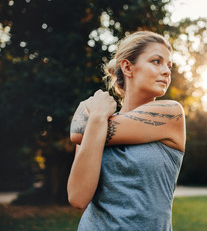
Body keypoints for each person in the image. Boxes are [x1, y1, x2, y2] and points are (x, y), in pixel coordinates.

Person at [67, 31, 186, 231]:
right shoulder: (97, 119)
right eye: (156, 61)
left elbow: (78, 131)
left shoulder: (171, 114)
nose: (166, 71)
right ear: (128, 67)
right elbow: (78, 198)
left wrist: (94, 117)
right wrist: (97, 118)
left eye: (169, 65)